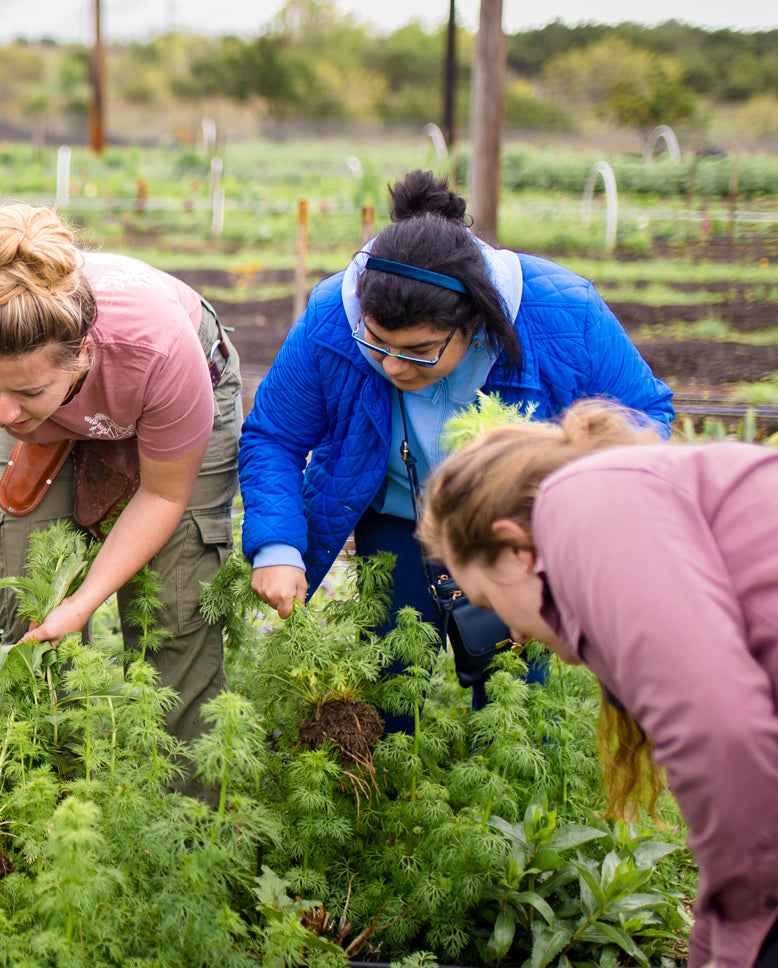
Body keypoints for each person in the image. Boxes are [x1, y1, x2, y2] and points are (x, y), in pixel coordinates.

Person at [418, 401, 778, 968]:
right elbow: (761, 793)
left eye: (487, 601)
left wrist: (742, 939)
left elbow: (721, 733)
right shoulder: (647, 496)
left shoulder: (587, 505)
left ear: (517, 548)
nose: (512, 635)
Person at [238, 171, 674, 731]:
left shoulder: (561, 312)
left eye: (418, 351)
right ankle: (392, 799)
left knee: (516, 705)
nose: (391, 366)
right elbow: (274, 434)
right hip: (398, 523)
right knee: (392, 685)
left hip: (514, 536)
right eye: (376, 343)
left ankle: (508, 810)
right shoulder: (331, 316)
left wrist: (564, 546)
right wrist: (276, 544)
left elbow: (645, 419)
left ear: (475, 323)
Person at [0, 203, 241, 796]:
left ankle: (184, 819)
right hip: (61, 421)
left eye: (24, 391)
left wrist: (85, 601)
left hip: (173, 386)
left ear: (82, 358)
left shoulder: (156, 348)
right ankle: (53, 806)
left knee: (176, 610)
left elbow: (161, 495)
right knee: (26, 599)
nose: (1, 414)